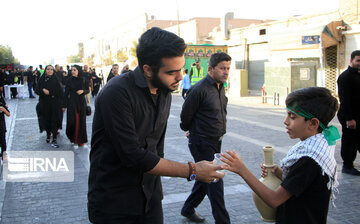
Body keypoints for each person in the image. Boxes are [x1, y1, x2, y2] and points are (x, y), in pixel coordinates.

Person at [87, 27, 224, 224]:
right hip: (114, 204)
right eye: (171, 72)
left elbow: (155, 147)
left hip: (151, 199)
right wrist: (192, 170)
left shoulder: (164, 91)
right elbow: (132, 155)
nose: (179, 77)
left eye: (181, 69)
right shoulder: (116, 93)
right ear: (147, 70)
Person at [221, 87, 340, 224]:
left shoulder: (310, 159)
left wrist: (242, 170)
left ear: (313, 123)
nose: (285, 121)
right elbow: (302, 184)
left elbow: (274, 199)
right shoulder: (316, 146)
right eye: (287, 115)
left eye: (292, 117)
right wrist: (279, 172)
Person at [180, 52, 232, 224]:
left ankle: (187, 209)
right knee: (215, 181)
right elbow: (185, 116)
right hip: (201, 142)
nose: (226, 72)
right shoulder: (199, 89)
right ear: (211, 69)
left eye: (228, 68)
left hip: (215, 141)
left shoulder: (221, 86)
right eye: (222, 68)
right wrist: (191, 130)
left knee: (203, 178)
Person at [337, 50, 360, 175]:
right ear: (351, 61)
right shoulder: (345, 77)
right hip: (349, 115)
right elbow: (344, 100)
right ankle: (347, 165)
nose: (359, 63)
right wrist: (349, 119)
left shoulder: (358, 75)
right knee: (349, 140)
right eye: (358, 61)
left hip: (357, 114)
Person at [35, 65, 63, 148]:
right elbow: (36, 90)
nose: (50, 71)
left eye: (51, 69)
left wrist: (50, 92)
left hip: (54, 104)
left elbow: (60, 92)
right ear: (46, 70)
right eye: (48, 69)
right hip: (44, 103)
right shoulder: (42, 79)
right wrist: (42, 91)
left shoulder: (55, 79)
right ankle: (48, 135)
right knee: (46, 119)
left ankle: (54, 138)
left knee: (54, 120)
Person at [62, 65, 88, 148]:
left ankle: (81, 140)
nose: (73, 71)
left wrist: (83, 91)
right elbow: (66, 94)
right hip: (72, 103)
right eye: (72, 70)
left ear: (78, 71)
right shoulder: (69, 80)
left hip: (81, 102)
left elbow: (88, 90)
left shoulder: (83, 79)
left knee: (81, 121)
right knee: (72, 121)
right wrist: (64, 105)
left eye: (75, 70)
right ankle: (73, 138)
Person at [0, 94, 10, 162]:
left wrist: (4, 110)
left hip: (1, 127)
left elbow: (8, 114)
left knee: (3, 142)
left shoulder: (1, 103)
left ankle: (4, 156)